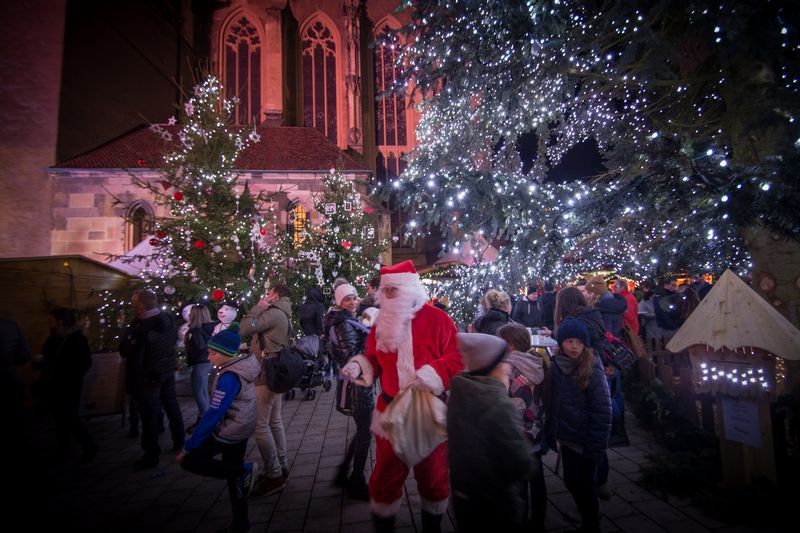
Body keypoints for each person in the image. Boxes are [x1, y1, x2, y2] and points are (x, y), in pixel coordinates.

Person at [341, 261, 463, 533]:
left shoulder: (438, 319)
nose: (389, 297)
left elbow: (457, 358)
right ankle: (384, 524)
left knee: (432, 475)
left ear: (410, 289)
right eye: (387, 292)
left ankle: (432, 524)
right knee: (385, 475)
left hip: (427, 409)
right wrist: (360, 365)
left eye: (395, 291)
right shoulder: (381, 323)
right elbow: (373, 356)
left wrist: (434, 373)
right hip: (389, 408)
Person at [177, 322, 261, 533]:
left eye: (213, 353)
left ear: (225, 353)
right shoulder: (242, 365)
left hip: (230, 429)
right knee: (234, 476)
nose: (209, 358)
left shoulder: (229, 377)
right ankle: (241, 522)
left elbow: (214, 413)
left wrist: (191, 444)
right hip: (242, 425)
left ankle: (243, 471)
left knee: (191, 460)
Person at [448, 332, 534, 533]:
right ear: (491, 367)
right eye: (504, 361)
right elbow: (519, 459)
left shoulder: (458, 394)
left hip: (464, 495)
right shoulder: (498, 403)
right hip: (496, 500)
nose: (508, 366)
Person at [551, 318, 612, 533]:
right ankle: (588, 517)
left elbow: (603, 411)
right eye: (569, 341)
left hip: (586, 441)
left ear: (585, 343)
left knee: (585, 487)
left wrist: (596, 447)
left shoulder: (593, 370)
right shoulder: (558, 366)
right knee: (570, 480)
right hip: (568, 438)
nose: (574, 346)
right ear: (561, 343)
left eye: (578, 341)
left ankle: (591, 524)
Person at [120, 290, 185, 469]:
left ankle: (151, 453)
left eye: (134, 302)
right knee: (171, 405)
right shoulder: (168, 320)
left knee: (149, 413)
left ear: (140, 304)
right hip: (166, 369)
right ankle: (179, 440)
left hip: (149, 374)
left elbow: (131, 352)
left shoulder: (142, 327)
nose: (132, 305)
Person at [240, 283, 292, 497]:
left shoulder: (273, 313)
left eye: (269, 292)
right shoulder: (285, 312)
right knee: (274, 421)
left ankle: (274, 474)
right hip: (275, 371)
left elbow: (245, 327)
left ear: (275, 295)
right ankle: (282, 464)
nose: (266, 295)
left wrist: (258, 306)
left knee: (260, 426)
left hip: (265, 374)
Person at [497, 323, 549, 533]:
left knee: (518, 483)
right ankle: (539, 522)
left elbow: (500, 400)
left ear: (510, 345)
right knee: (537, 479)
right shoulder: (538, 361)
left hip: (515, 434)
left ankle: (520, 524)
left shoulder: (506, 367)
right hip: (535, 430)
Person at [327, 282, 373, 501]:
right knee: (365, 431)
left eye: (354, 298)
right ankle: (356, 480)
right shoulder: (343, 323)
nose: (353, 302)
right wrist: (371, 336)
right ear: (339, 302)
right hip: (357, 385)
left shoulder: (346, 320)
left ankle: (344, 473)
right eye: (348, 299)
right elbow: (353, 356)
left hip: (358, 382)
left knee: (364, 429)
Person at [39, 307, 96, 463]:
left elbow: (85, 362)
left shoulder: (76, 339)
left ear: (60, 322)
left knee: (70, 417)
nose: (49, 324)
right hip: (55, 384)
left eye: (51, 321)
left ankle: (88, 445)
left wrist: (69, 374)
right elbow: (48, 355)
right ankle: (63, 449)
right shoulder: (54, 338)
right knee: (60, 418)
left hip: (69, 385)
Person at [184, 304, 216, 431]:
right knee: (203, 391)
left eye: (191, 313)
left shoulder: (196, 331)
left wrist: (192, 354)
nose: (189, 315)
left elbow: (200, 347)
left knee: (199, 392)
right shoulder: (209, 328)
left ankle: (205, 421)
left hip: (200, 362)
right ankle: (207, 418)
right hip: (207, 362)